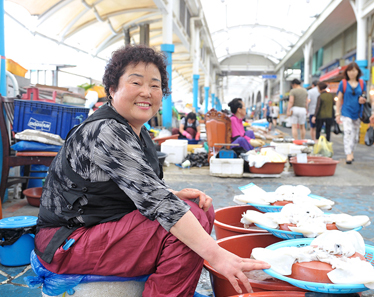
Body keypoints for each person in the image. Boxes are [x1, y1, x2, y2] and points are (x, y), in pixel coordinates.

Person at [33, 45, 269, 297]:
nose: (147, 92)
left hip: (100, 229)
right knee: (187, 222)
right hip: (66, 243)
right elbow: (158, 204)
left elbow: (135, 188)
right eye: (136, 82)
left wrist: (172, 193)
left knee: (199, 207)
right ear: (112, 89)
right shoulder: (106, 130)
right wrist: (217, 255)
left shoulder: (136, 131)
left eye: (155, 86)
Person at [335, 62, 367, 165]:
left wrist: (363, 99)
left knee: (355, 136)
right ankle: (348, 154)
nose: (352, 73)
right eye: (349, 70)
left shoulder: (362, 83)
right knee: (347, 132)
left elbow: (364, 96)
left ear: (358, 71)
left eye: (354, 70)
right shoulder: (343, 83)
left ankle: (352, 151)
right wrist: (337, 113)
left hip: (357, 112)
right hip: (346, 111)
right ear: (347, 72)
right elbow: (339, 99)